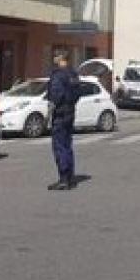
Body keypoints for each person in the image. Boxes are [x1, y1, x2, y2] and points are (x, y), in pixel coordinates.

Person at [46, 51, 81, 190]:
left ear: (60, 58)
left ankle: (64, 179)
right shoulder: (73, 74)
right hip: (70, 112)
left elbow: (56, 95)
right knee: (67, 144)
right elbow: (78, 93)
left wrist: (49, 112)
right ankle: (70, 177)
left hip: (60, 114)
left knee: (59, 146)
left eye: (55, 56)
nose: (53, 58)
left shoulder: (58, 75)